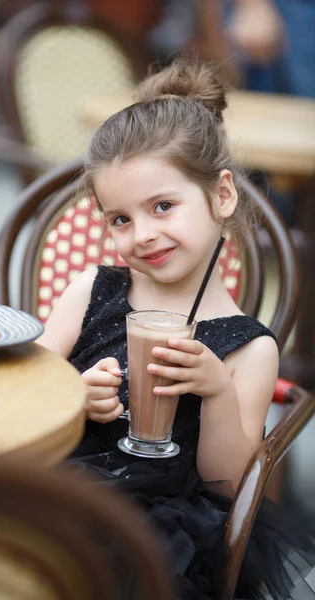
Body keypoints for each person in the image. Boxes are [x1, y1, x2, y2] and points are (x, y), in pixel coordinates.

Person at [37, 58, 314, 599]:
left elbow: (231, 486)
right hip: (59, 493)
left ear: (222, 195)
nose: (142, 234)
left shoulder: (248, 347)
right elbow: (21, 393)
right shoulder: (92, 289)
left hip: (163, 529)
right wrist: (67, 395)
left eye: (163, 206)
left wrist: (215, 392)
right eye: (120, 218)